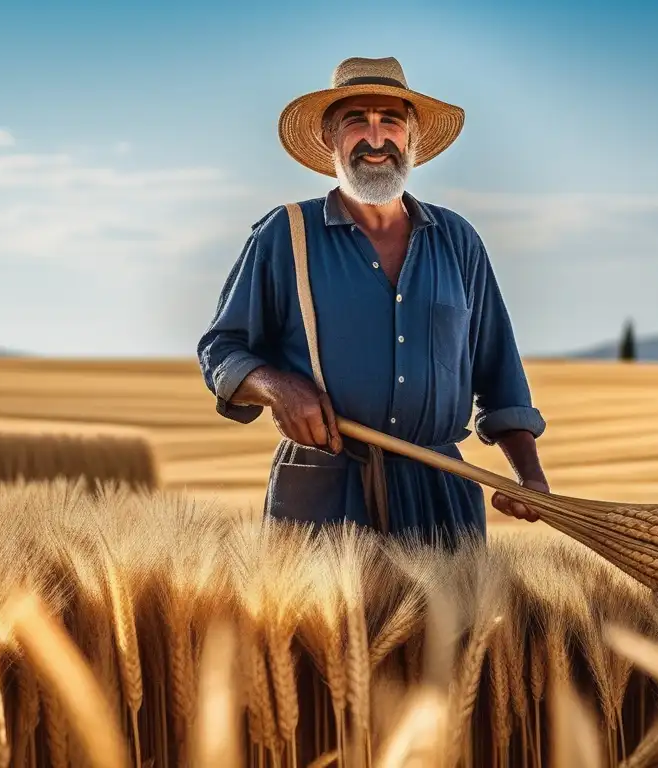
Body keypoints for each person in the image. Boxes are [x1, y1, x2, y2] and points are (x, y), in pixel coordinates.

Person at [196, 56, 549, 546]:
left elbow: (500, 373)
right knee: (317, 626)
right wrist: (278, 388)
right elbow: (221, 350)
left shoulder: (457, 240)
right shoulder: (286, 235)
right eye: (356, 120)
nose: (376, 137)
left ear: (412, 139)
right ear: (329, 138)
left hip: (441, 496)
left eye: (391, 121)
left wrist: (530, 478)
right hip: (321, 498)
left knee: (454, 626)